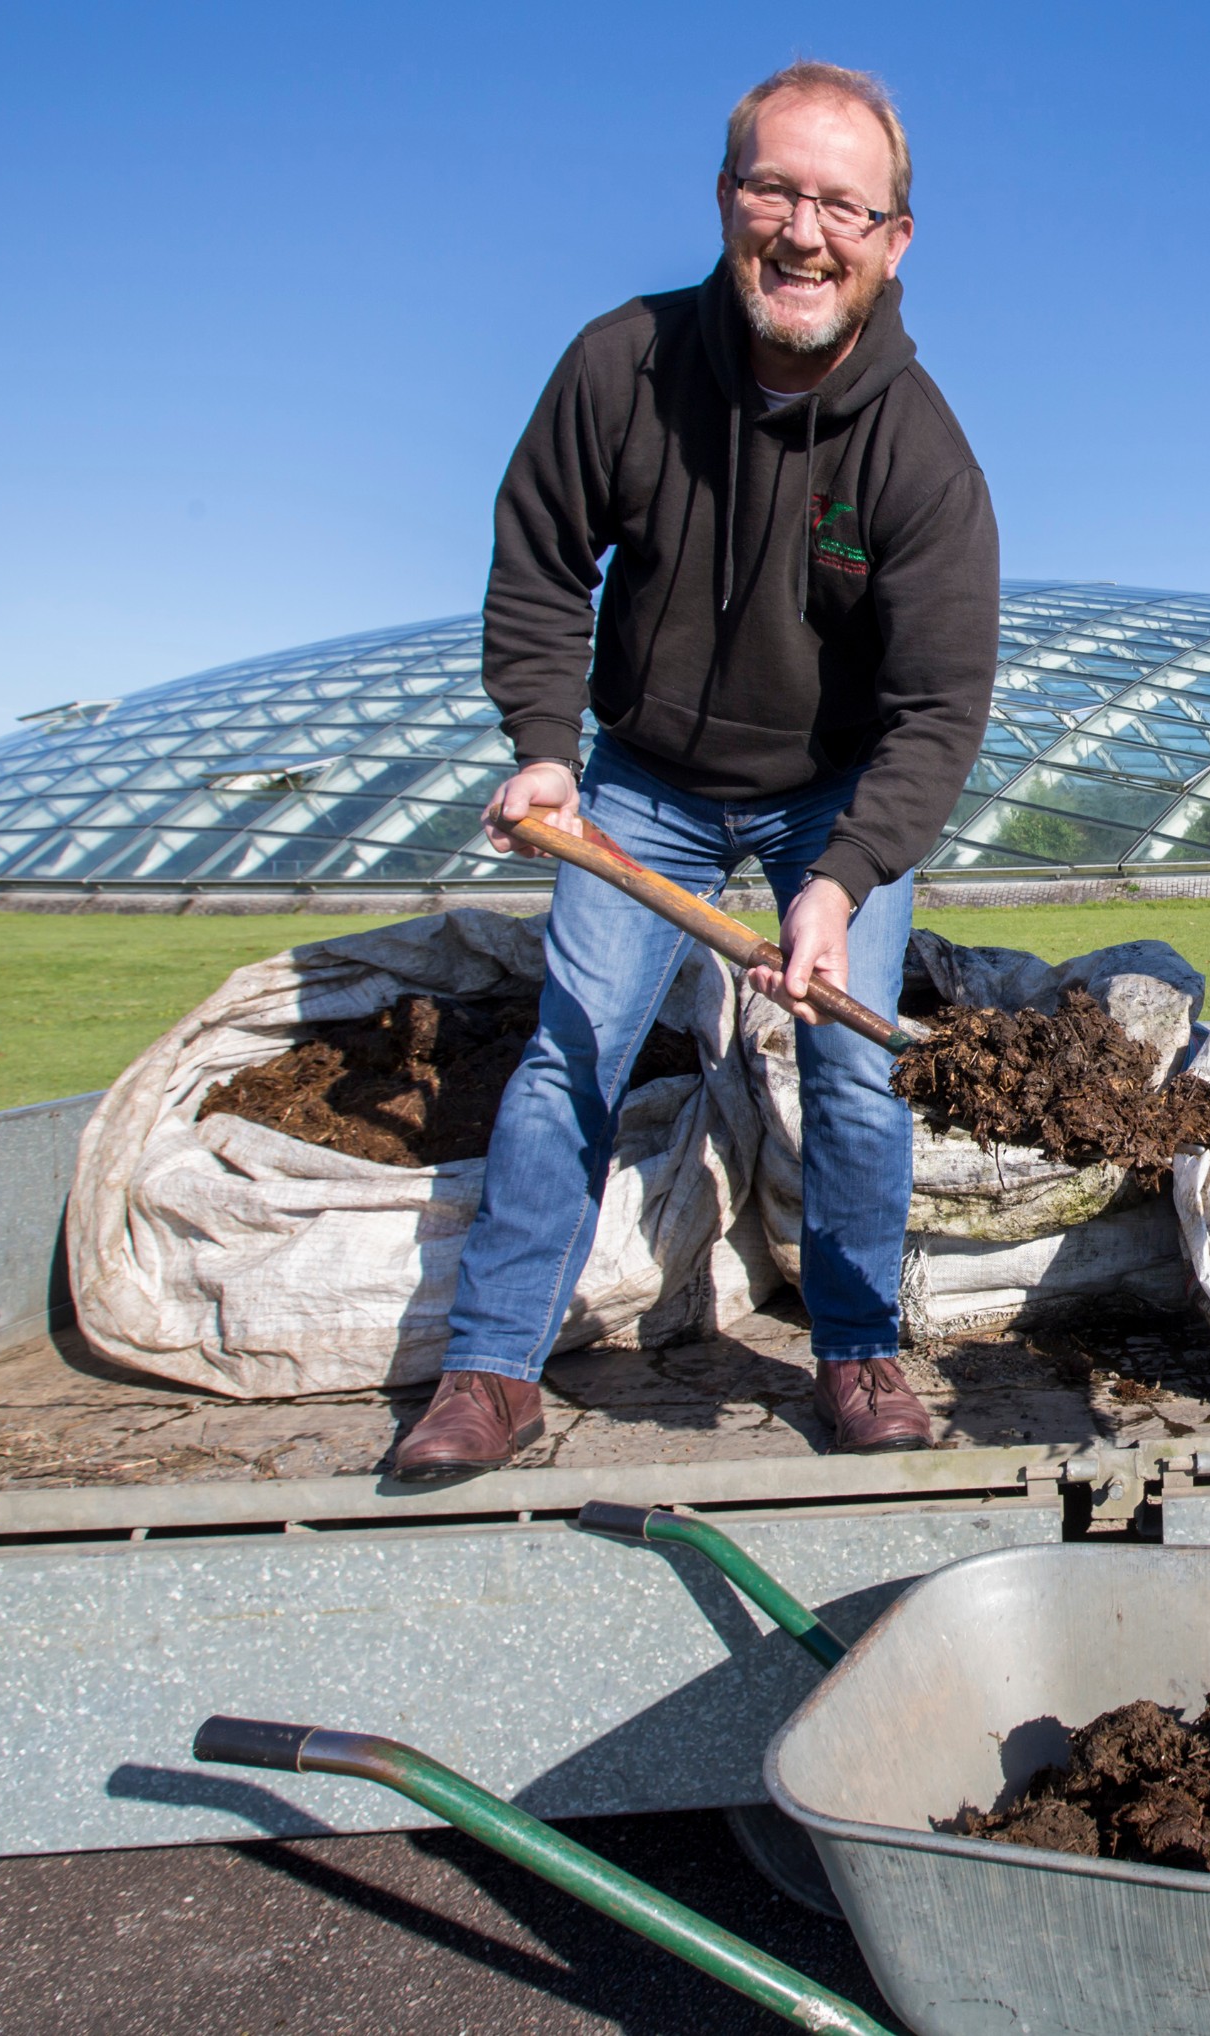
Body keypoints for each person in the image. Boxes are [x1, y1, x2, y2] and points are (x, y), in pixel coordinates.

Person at [394, 61, 998, 1475]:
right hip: (642, 779)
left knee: (853, 1072)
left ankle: (854, 1352)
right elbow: (539, 562)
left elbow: (937, 708)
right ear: (727, 200)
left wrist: (844, 879)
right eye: (775, 189)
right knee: (574, 1053)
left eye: (844, 204)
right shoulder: (623, 363)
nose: (805, 231)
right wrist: (545, 753)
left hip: (832, 792)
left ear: (895, 238)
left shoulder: (921, 453)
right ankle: (491, 1370)